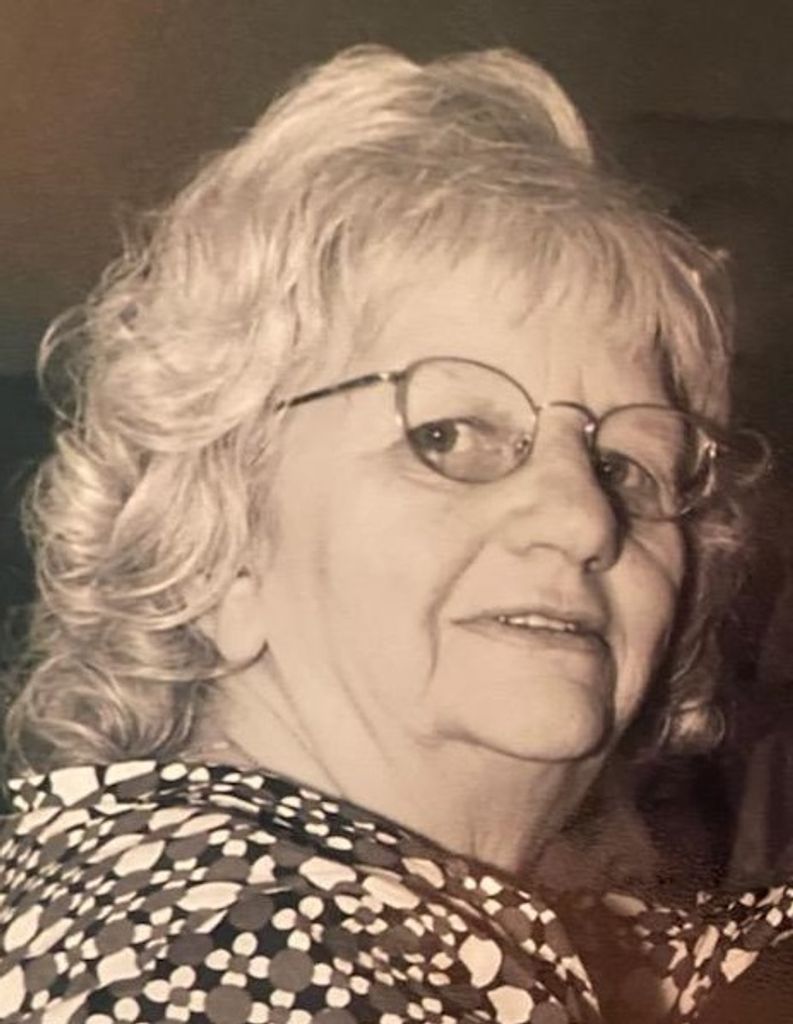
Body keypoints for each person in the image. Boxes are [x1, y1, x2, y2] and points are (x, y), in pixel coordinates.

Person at [0, 45, 783, 1024]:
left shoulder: (405, 918)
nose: (583, 517)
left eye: (628, 465)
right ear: (219, 547)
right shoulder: (219, 966)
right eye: (447, 436)